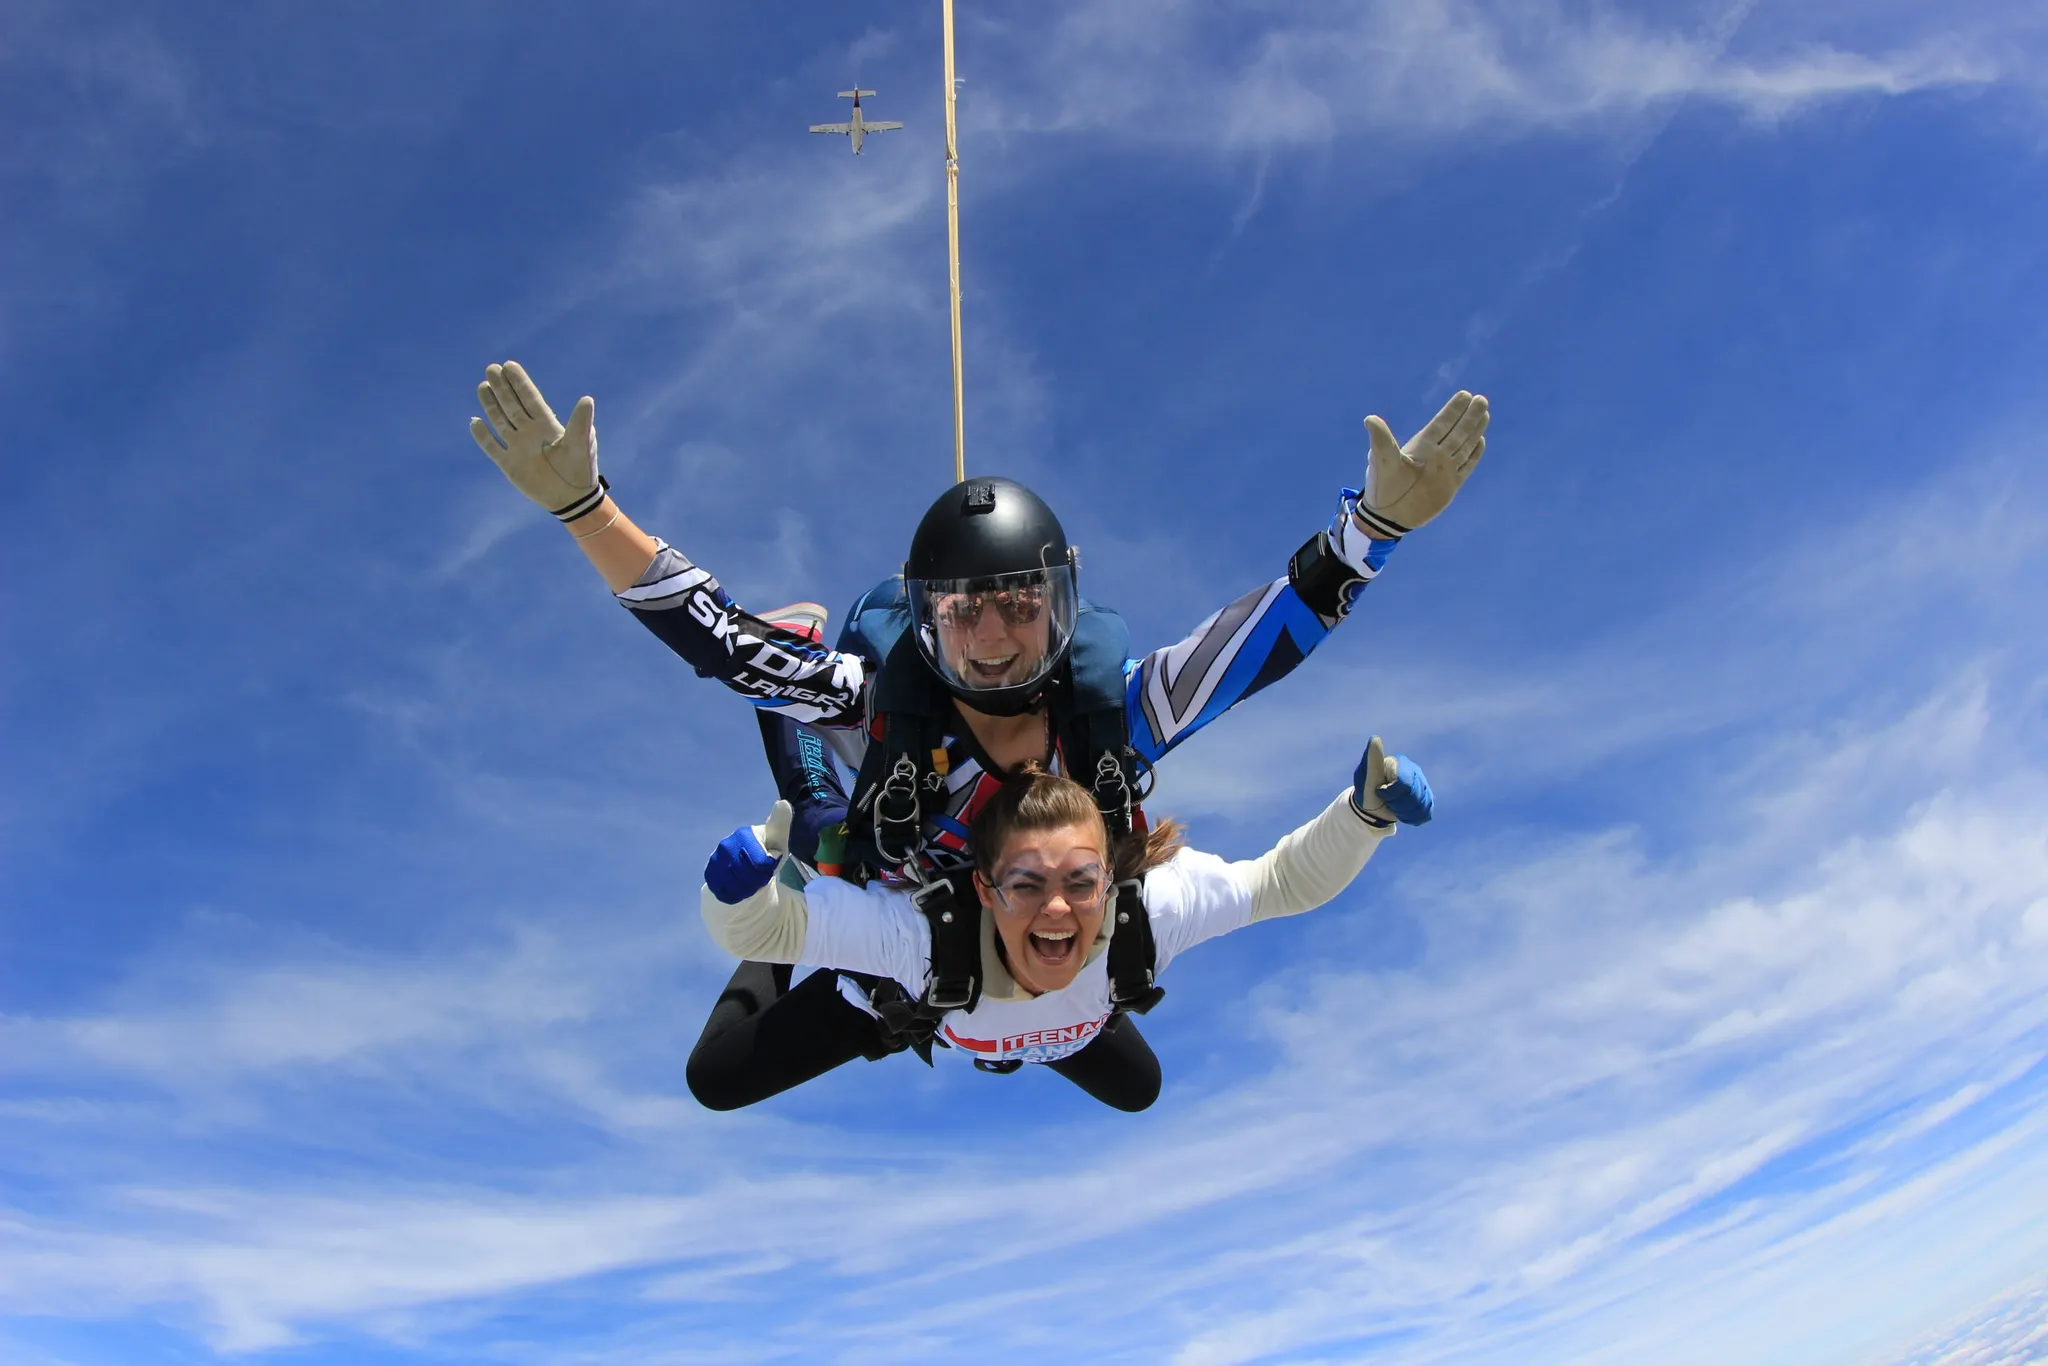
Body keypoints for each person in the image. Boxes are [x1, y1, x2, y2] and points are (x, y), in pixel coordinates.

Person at [467, 360, 1487, 1106]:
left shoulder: (1111, 712)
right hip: (900, 943)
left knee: (1137, 1086)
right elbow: (721, 643)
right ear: (925, 621)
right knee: (803, 806)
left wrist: (1371, 532)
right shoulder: (889, 700)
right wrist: (583, 508)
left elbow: (1259, 639)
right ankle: (793, 839)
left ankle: (984, 1009)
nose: (993, 640)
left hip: (1018, 956)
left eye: (1016, 604)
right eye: (963, 612)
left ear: (1061, 607)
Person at [696, 736, 1435, 1110]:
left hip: (1022, 1014)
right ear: (983, 890)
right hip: (906, 1003)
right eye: (1027, 885)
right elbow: (766, 934)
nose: (1057, 906)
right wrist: (744, 895)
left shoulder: (1151, 913)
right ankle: (802, 832)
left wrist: (1363, 816)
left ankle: (1014, 1035)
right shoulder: (914, 940)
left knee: (1138, 1089)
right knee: (716, 1076)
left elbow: (1281, 882)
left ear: (1111, 882)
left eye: (1081, 884)